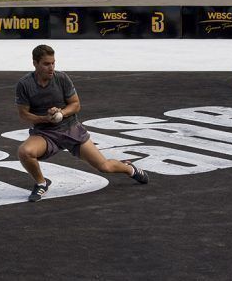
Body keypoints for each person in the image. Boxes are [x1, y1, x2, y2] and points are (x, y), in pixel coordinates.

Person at [15, 44, 149, 203]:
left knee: (104, 166)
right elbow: (24, 114)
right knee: (25, 152)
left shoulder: (62, 78)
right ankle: (41, 183)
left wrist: (61, 113)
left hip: (71, 129)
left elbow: (76, 105)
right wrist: (45, 119)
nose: (51, 67)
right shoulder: (24, 84)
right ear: (35, 63)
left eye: (53, 63)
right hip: (45, 133)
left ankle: (129, 168)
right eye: (46, 64)